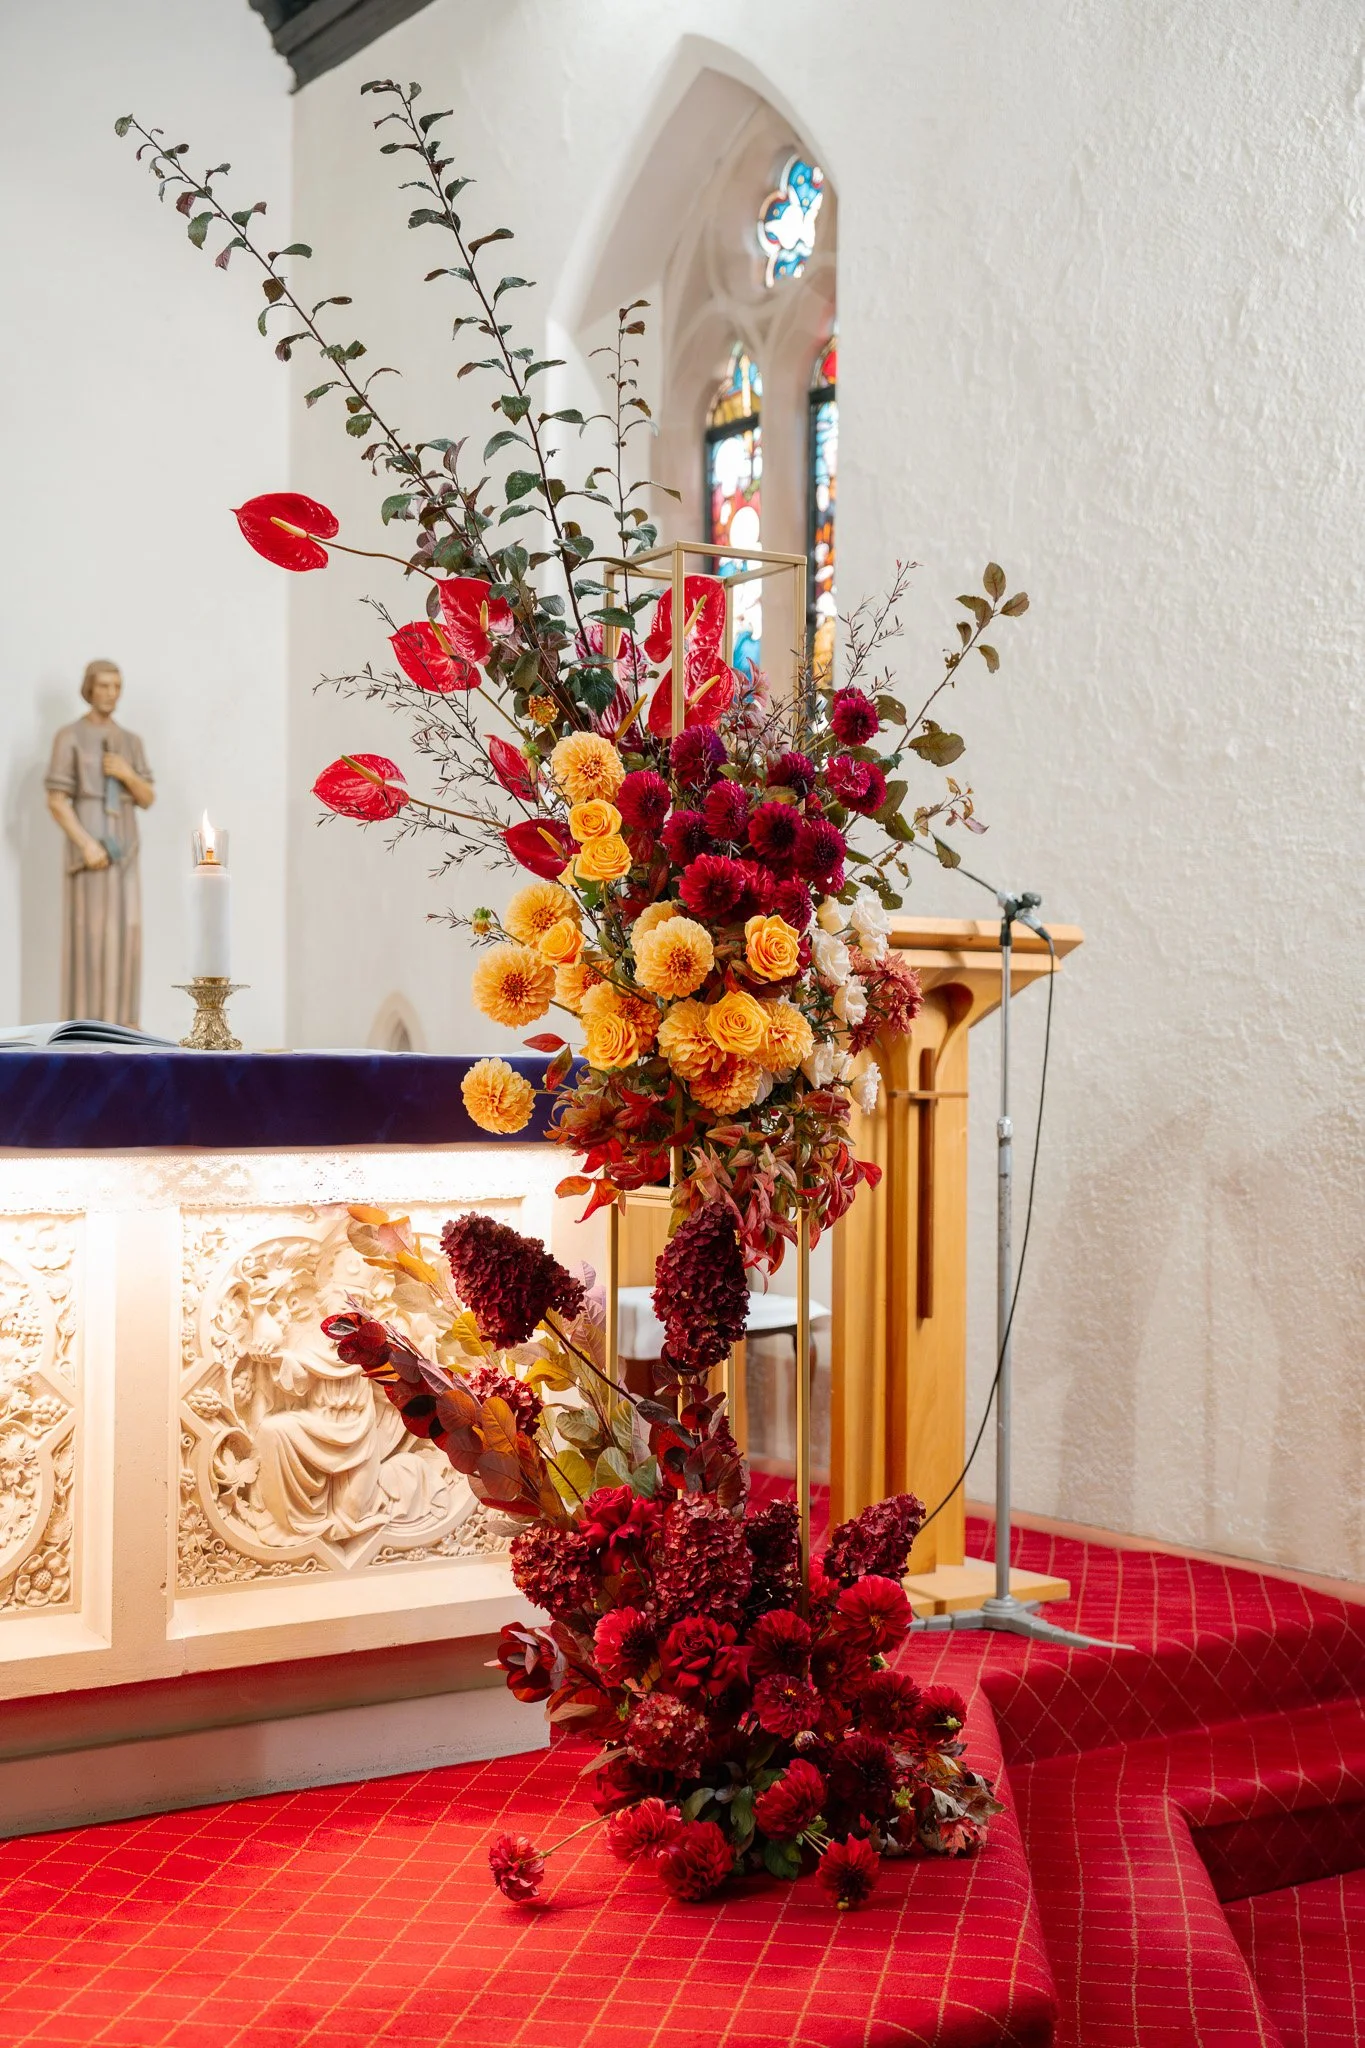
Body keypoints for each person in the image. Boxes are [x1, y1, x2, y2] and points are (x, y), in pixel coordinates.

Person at [44, 661, 155, 1026]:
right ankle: (85, 1024)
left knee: (127, 930)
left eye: (116, 685)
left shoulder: (132, 742)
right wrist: (86, 844)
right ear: (88, 689)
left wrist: (126, 772)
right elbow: (57, 799)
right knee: (90, 931)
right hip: (89, 841)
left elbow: (147, 797)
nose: (110, 693)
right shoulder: (69, 736)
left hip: (125, 847)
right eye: (103, 685)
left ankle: (124, 1023)